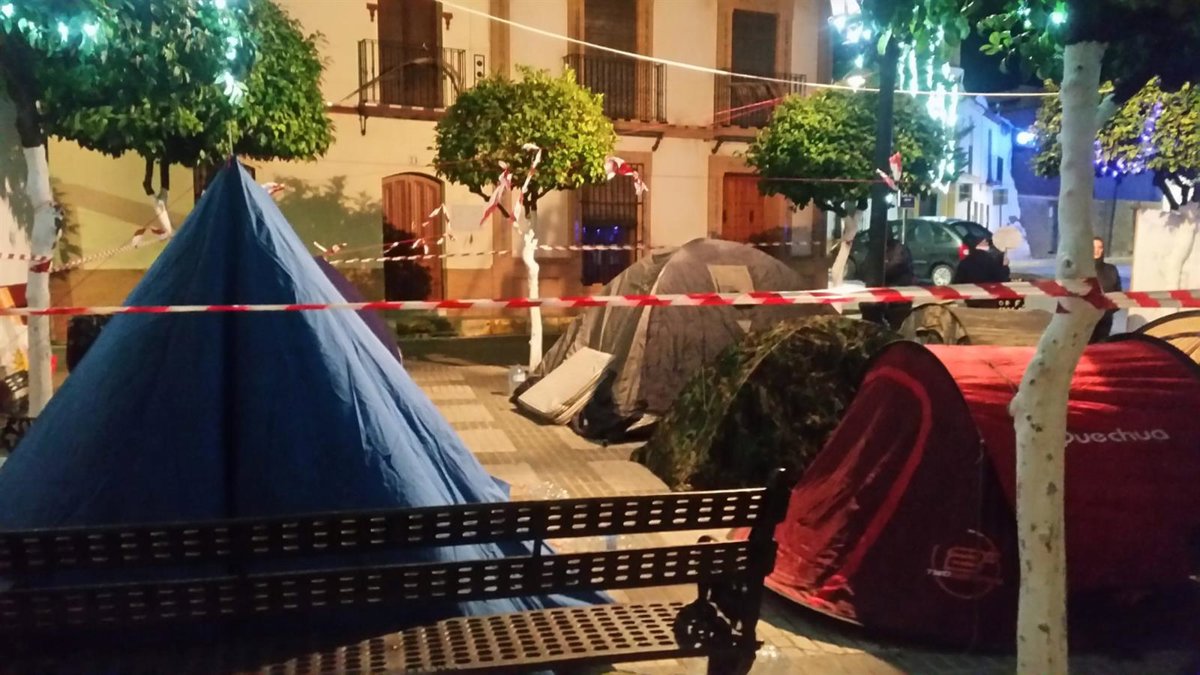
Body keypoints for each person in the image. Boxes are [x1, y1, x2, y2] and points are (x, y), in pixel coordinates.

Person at [953, 234, 1011, 308]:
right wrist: (1005, 266)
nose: (987, 243)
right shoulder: (990, 260)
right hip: (990, 300)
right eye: (984, 242)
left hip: (972, 302)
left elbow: (957, 283)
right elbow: (1002, 278)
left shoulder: (964, 263)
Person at [1091, 236, 1122, 342]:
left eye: (1100, 247)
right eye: (1093, 247)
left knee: (1101, 347)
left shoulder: (1111, 270)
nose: (1096, 250)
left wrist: (1108, 311)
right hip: (1083, 320)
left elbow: (1118, 294)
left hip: (1104, 320)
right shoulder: (1080, 270)